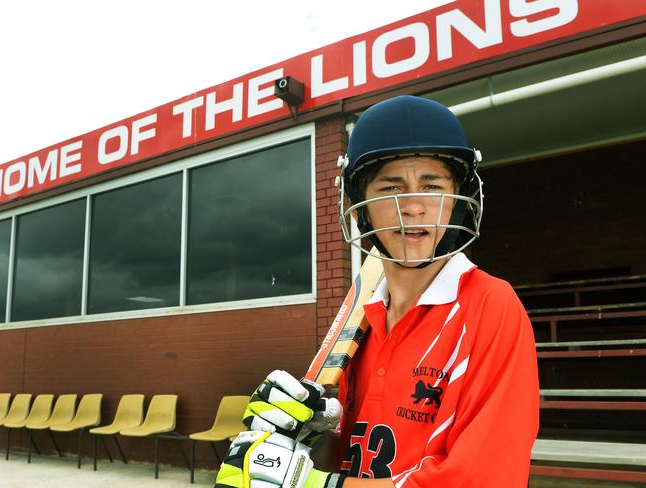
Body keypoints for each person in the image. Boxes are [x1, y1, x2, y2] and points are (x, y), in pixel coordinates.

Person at [214, 96, 540, 488]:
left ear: (457, 200)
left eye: (432, 184)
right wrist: (297, 439)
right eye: (390, 188)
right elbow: (362, 454)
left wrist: (319, 487)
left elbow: (485, 480)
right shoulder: (363, 321)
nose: (413, 206)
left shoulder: (489, 305)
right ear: (359, 205)